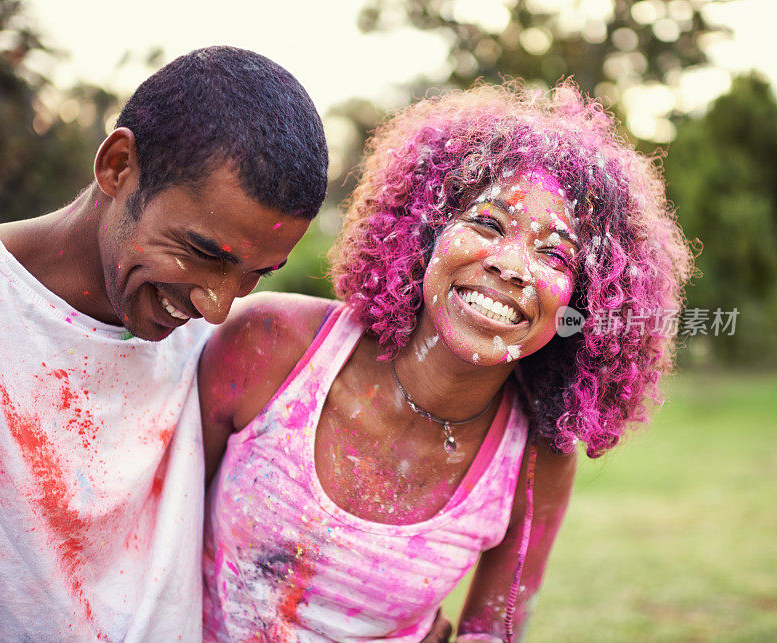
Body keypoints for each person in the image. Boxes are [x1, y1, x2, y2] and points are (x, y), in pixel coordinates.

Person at [199, 81, 692, 641]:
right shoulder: (269, 343)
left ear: (581, 301)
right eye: (487, 223)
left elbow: (494, 631)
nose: (511, 266)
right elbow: (154, 535)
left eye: (554, 253)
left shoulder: (536, 461)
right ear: (423, 231)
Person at [0, 46, 327, 641]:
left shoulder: (228, 349)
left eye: (254, 275)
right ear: (117, 166)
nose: (216, 308)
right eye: (204, 253)